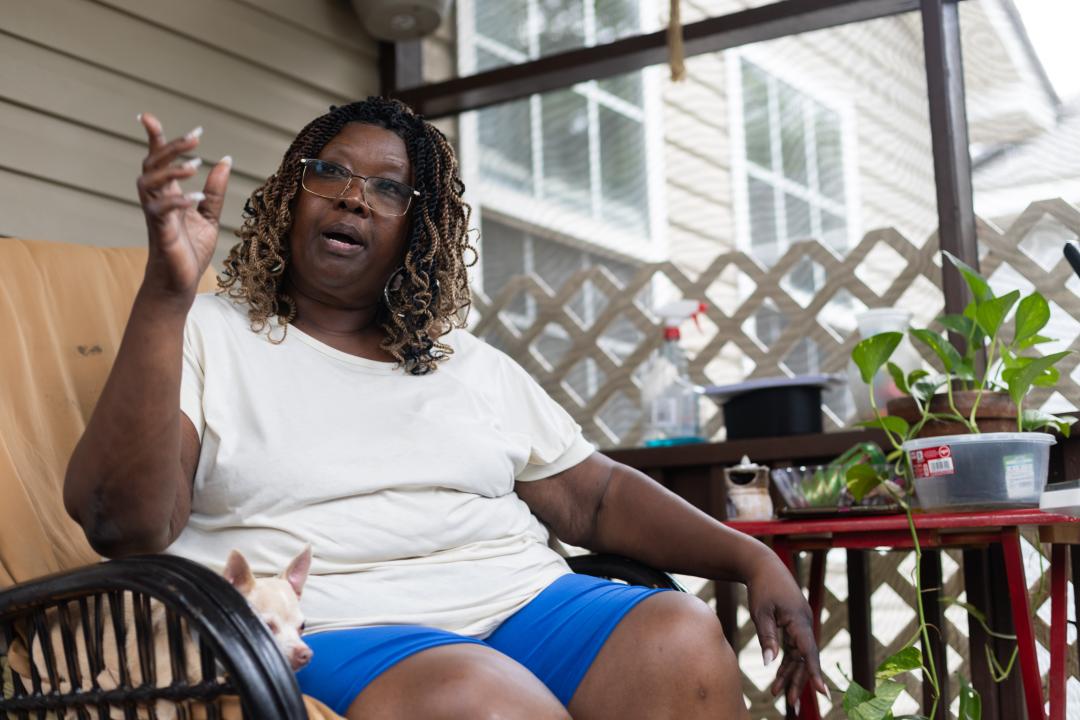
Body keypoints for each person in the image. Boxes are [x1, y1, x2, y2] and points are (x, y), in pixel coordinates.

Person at [64, 97, 827, 720]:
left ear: (417, 234)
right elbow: (124, 522)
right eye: (329, 172)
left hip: (525, 600)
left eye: (388, 187)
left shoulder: (466, 361)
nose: (353, 196)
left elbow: (593, 496)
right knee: (483, 701)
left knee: (684, 637)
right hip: (337, 624)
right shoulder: (205, 333)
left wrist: (751, 556)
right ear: (293, 196)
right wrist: (166, 296)